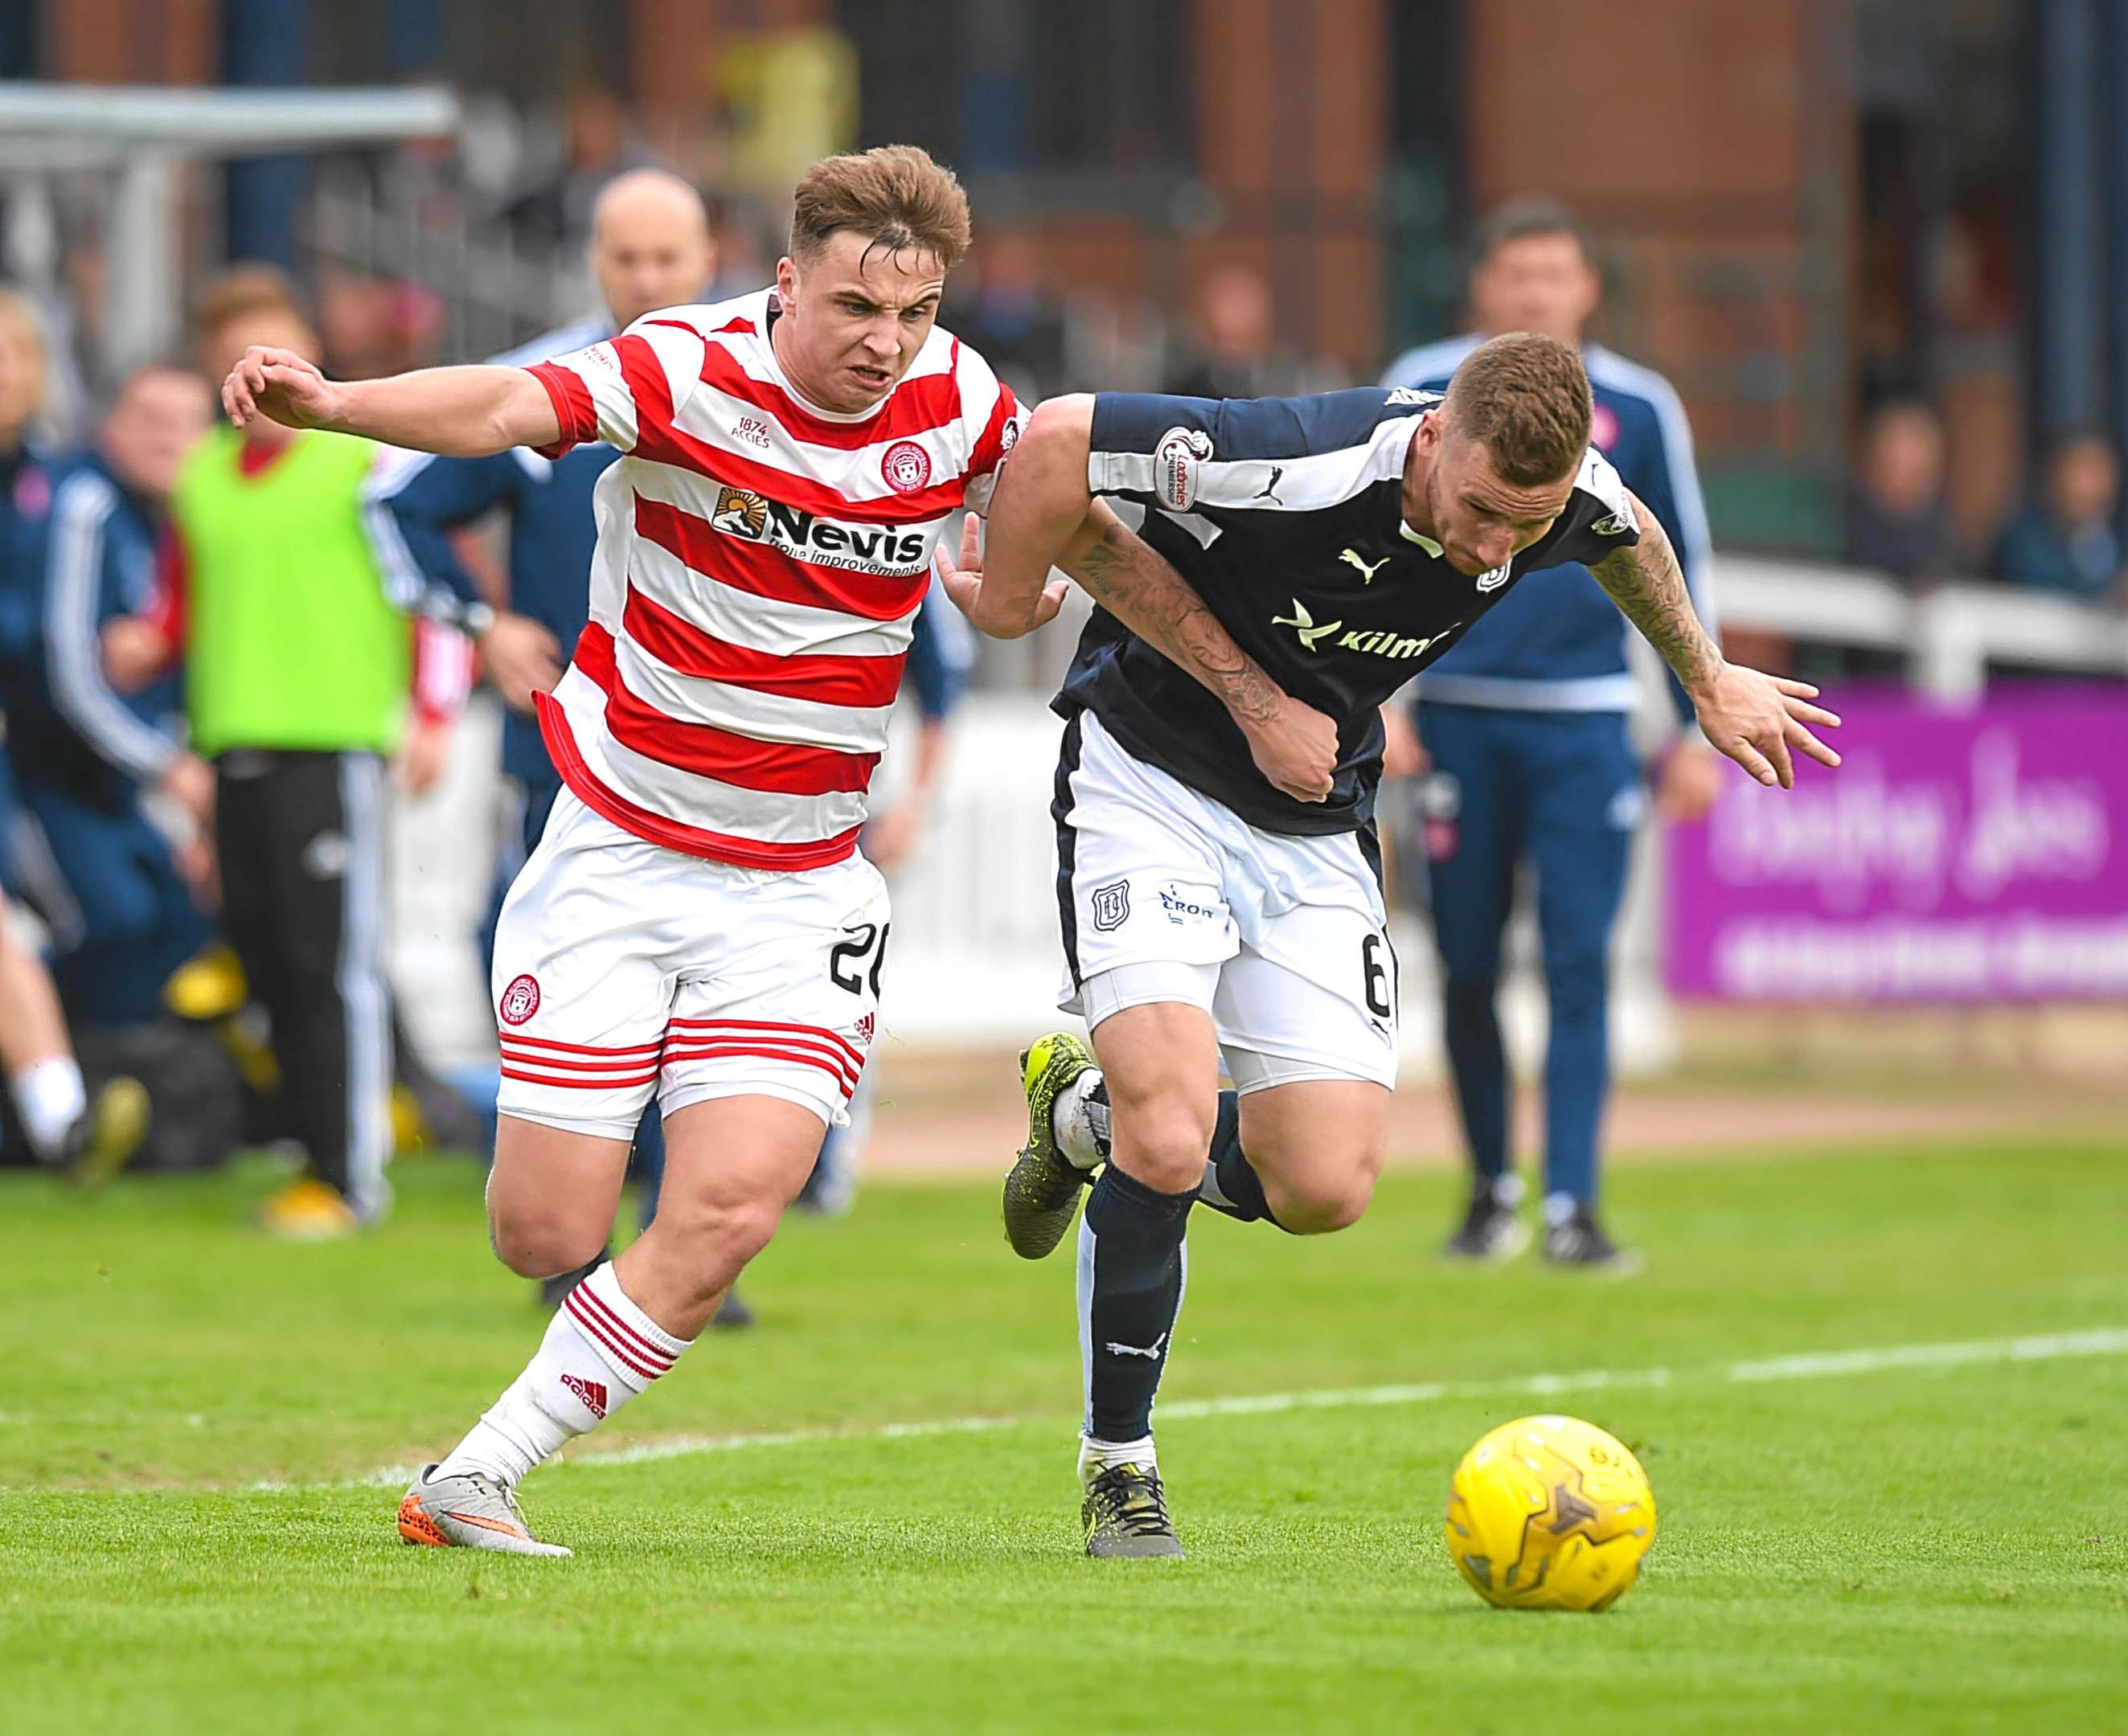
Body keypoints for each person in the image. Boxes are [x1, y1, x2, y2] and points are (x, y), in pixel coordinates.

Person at [220, 145, 1089, 1556]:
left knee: (730, 1212)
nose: (886, 345)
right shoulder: (676, 367)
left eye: (913, 313)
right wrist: (335, 406)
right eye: (857, 309)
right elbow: (507, 401)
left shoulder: (967, 401)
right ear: (786, 278)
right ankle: (521, 1374)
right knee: (540, 1229)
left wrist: (1023, 609)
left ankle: (475, 1475)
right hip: (620, 855)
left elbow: (1044, 543)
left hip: (804, 882)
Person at [941, 334, 1839, 1558]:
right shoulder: (1297, 457)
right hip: (1146, 775)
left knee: (1323, 1187)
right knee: (1170, 1134)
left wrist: (1703, 675)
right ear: (1431, 440)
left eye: (1520, 530)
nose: (1490, 552)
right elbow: (1051, 442)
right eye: (1475, 512)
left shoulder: (1551, 498)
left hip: (1312, 817)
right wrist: (1020, 609)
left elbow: (1631, 541)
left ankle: (1078, 1121)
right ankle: (1119, 1465)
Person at [371, 168, 740, 1315]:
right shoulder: (548, 394)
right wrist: (484, 625)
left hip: (719, 749)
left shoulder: (760, 387)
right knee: (574, 973)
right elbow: (396, 510)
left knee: (706, 996)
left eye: (665, 260)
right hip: (574, 754)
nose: (644, 280)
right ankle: (572, 1236)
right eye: (624, 259)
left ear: (705, 259)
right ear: (593, 259)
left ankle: (676, 1249)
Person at [1380, 196, 1720, 1267]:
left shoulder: (1638, 403)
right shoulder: (1425, 379)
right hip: (1457, 720)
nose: (1534, 292)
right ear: (1483, 287)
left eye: (1554, 274)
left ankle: (1570, 1204)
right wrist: (1378, 700)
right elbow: (1373, 538)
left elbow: (1678, 558)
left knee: (1578, 965)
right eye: (1515, 274)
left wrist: (1695, 721)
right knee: (1468, 967)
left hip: (1584, 725)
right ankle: (1489, 1191)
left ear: (1586, 289)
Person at [137, 268, 466, 1239]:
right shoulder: (199, 475)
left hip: (332, 745)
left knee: (331, 967)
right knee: (271, 966)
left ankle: (350, 1176)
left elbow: (434, 581)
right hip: (229, 743)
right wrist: (149, 650)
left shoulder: (360, 463)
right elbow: (184, 606)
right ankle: (315, 1162)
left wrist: (434, 711)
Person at [5, 364, 216, 1031]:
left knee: (180, 920)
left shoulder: (183, 517)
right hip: (45, 781)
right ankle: (52, 1097)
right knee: (107, 921)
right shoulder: (85, 504)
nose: (168, 442)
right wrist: (168, 766)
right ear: (110, 426)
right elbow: (64, 667)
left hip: (119, 790)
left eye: (187, 426)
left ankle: (112, 1093)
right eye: (150, 422)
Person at [797, 579, 974, 1214]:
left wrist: (915, 806)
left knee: (840, 991)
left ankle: (825, 1165)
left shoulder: (905, 551)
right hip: (761, 807)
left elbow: (942, 693)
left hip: (853, 815)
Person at [1993, 433, 2126, 604]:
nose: (2097, 484)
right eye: (2086, 471)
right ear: (2057, 474)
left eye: (2103, 470)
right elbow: (2041, 595)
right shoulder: (2025, 542)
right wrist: (2110, 593)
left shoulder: (2117, 538)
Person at [1844, 400, 1960, 586]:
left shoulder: (1946, 541)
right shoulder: (1836, 531)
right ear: (1869, 465)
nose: (1903, 487)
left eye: (1917, 475)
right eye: (1892, 469)